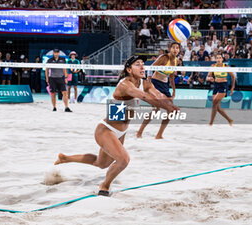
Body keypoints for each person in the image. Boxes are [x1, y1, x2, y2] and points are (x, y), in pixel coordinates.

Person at [54, 55, 179, 196]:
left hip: (121, 132)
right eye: (138, 64)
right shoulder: (125, 84)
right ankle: (104, 186)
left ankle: (65, 158)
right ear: (129, 70)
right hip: (106, 130)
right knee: (123, 160)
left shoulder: (145, 82)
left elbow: (157, 94)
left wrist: (169, 104)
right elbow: (144, 97)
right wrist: (165, 106)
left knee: (100, 163)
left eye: (143, 64)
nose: (142, 67)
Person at [136, 42, 180, 139]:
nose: (175, 50)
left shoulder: (177, 61)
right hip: (155, 83)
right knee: (156, 109)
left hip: (165, 85)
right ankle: (139, 132)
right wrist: (149, 81)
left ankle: (159, 134)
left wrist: (174, 90)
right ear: (170, 49)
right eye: (173, 47)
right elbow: (151, 67)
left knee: (171, 111)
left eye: (177, 48)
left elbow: (171, 76)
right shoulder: (164, 57)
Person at [207, 53, 235, 126]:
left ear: (222, 59)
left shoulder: (225, 66)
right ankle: (229, 120)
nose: (219, 59)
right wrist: (210, 78)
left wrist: (232, 88)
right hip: (216, 85)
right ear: (215, 59)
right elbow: (208, 77)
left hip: (223, 86)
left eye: (220, 58)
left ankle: (210, 123)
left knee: (214, 104)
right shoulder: (213, 66)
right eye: (217, 58)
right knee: (217, 107)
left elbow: (233, 77)